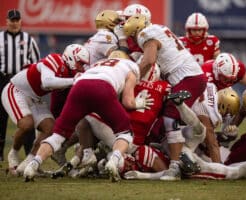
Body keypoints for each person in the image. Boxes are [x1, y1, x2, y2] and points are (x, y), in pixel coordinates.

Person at [23, 50, 152, 182]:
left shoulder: (97, 64)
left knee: (58, 136)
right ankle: (113, 161)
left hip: (79, 87)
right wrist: (138, 104)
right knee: (125, 133)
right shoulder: (130, 68)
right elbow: (127, 102)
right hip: (103, 87)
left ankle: (33, 164)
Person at [123, 14, 208, 181]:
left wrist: (133, 77)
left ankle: (175, 166)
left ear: (136, 31)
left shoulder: (145, 34)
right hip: (191, 75)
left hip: (186, 77)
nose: (133, 39)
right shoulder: (160, 28)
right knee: (165, 115)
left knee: (170, 117)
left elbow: (149, 60)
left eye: (132, 35)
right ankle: (178, 153)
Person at [1, 44, 89, 175]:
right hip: (16, 90)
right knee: (27, 124)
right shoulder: (56, 60)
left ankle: (29, 162)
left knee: (51, 129)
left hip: (35, 98)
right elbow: (47, 81)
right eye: (80, 63)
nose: (82, 68)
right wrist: (74, 80)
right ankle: (13, 153)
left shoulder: (70, 73)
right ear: (71, 58)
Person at [0, 9, 40, 161]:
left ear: (21, 21)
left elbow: (36, 64)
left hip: (22, 82)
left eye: (17, 20)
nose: (15, 23)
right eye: (12, 20)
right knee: (1, 118)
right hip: (3, 79)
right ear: (7, 21)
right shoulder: (0, 38)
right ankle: (0, 154)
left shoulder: (29, 40)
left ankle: (29, 151)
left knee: (26, 116)